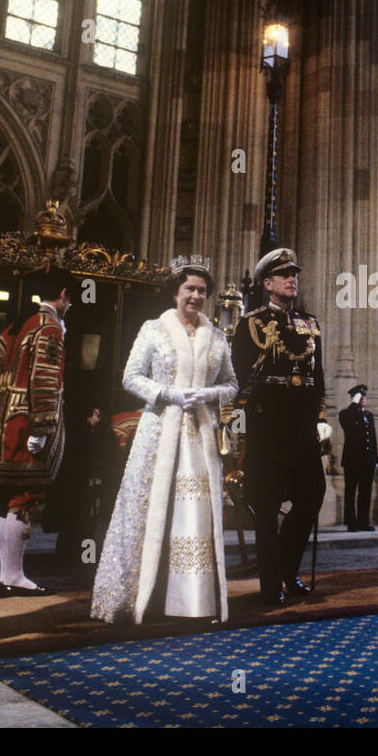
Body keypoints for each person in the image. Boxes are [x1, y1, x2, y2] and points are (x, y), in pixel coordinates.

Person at [91, 257, 238, 624]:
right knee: (151, 510)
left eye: (202, 291)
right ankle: (143, 598)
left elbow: (232, 383)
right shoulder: (153, 330)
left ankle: (192, 601)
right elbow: (131, 377)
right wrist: (167, 394)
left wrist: (207, 394)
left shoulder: (217, 336)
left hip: (200, 436)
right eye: (190, 288)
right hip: (159, 431)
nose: (196, 296)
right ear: (176, 291)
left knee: (193, 516)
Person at [231, 247, 331, 606]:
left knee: (311, 497)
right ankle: (271, 582)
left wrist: (321, 419)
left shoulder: (310, 324)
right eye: (284, 275)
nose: (293, 280)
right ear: (267, 283)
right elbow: (240, 379)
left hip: (302, 425)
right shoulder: (250, 324)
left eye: (295, 275)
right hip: (268, 424)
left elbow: (317, 379)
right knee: (267, 503)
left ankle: (287, 568)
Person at [0, 267, 73, 597]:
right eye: (69, 299)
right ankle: (14, 576)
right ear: (62, 295)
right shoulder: (50, 327)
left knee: (7, 497)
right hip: (26, 419)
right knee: (24, 497)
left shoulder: (18, 323)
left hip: (1, 418)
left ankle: (7, 575)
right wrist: (42, 426)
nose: (70, 305)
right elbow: (45, 380)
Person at [339, 383, 378, 531]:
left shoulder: (369, 415)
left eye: (364, 396)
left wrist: (375, 459)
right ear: (353, 398)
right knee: (351, 491)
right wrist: (354, 404)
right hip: (352, 461)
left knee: (365, 492)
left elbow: (372, 439)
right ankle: (351, 522)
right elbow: (348, 425)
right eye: (360, 396)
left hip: (367, 460)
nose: (364, 399)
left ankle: (363, 521)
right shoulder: (346, 414)